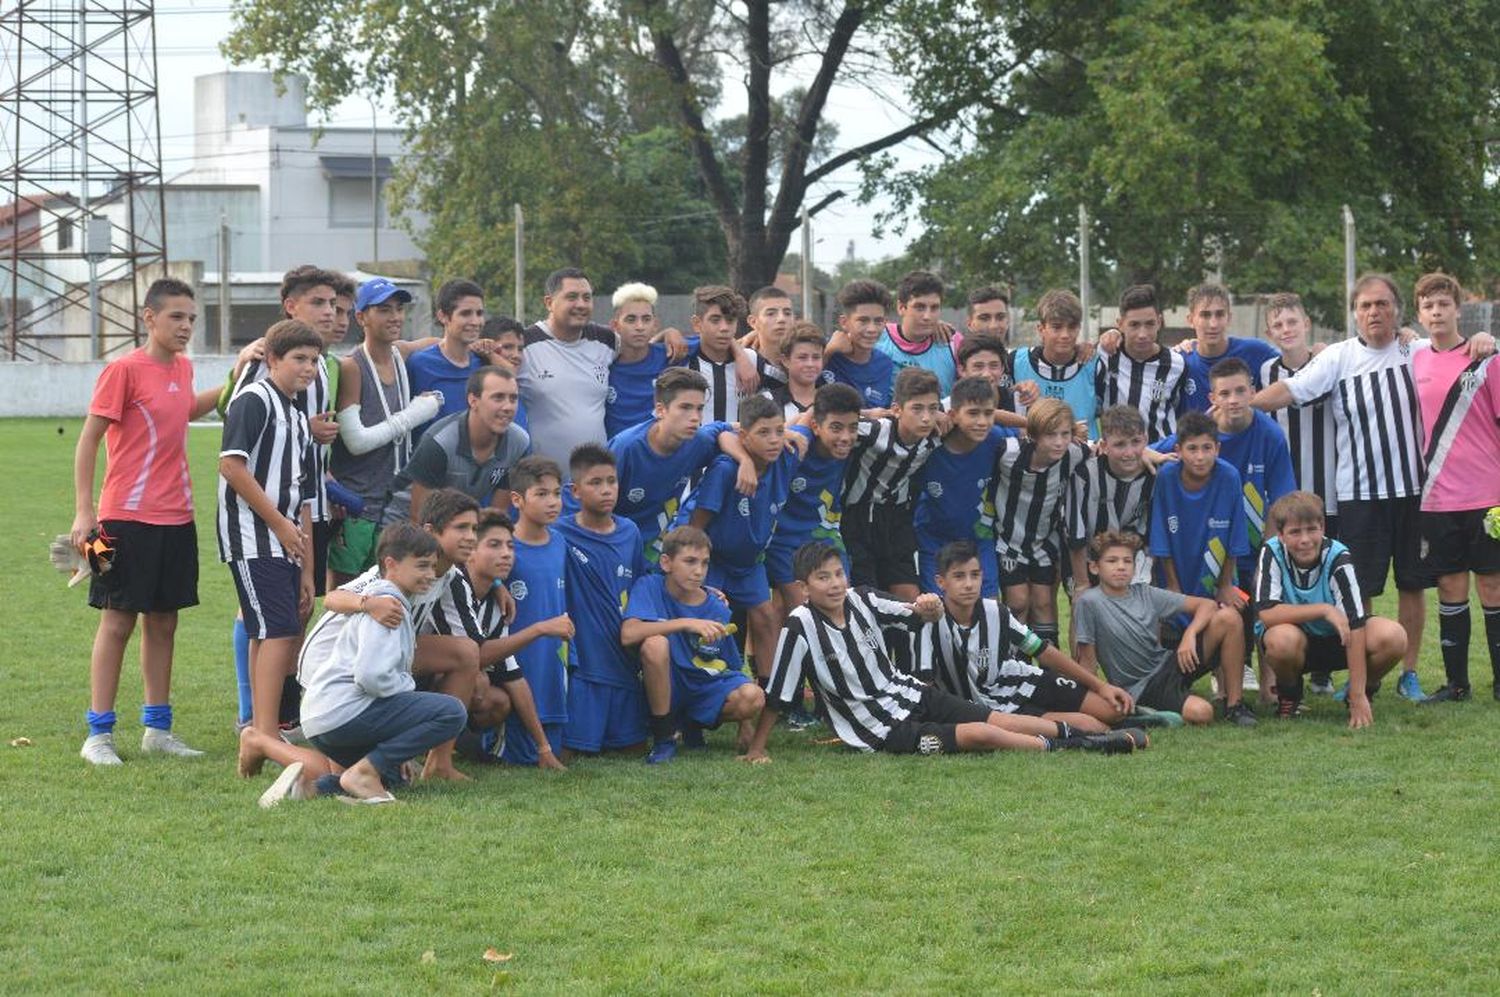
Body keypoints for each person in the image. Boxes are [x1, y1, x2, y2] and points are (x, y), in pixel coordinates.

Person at [1252, 273, 1494, 700]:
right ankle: (1361, 675)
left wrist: (1483, 338)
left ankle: (1410, 674)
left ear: (1398, 309)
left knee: (1413, 584)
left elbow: (1456, 352)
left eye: (1381, 304)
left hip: (1414, 491)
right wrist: (1242, 404)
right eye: (1364, 306)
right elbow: (1292, 388)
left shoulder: (1414, 350)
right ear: (1354, 313)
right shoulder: (1339, 357)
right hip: (1359, 495)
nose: (1373, 312)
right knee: (1356, 589)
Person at [742, 542, 1144, 761]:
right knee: (983, 733)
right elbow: (780, 694)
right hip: (881, 728)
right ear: (804, 586)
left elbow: (913, 612)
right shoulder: (800, 625)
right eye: (822, 578)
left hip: (912, 693)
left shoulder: (861, 599)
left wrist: (927, 607)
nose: (833, 584)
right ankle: (1078, 745)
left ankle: (1087, 735)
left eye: (838, 574)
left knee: (997, 718)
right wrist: (757, 749)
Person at [72, 278, 221, 765]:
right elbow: (89, 440)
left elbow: (184, 411)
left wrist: (240, 374)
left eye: (191, 318)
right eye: (176, 316)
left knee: (164, 621)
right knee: (117, 621)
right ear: (149, 318)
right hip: (124, 519)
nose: (185, 326)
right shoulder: (123, 370)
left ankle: (157, 729)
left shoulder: (184, 366)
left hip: (177, 517)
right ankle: (98, 735)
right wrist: (84, 512)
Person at [261, 521, 469, 805]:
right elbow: (371, 676)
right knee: (451, 711)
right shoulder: (387, 606)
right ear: (391, 564)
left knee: (395, 778)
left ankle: (311, 788)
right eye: (421, 566)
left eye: (433, 567)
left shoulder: (388, 600)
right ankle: (362, 774)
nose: (430, 575)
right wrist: (407, 691)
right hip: (341, 713)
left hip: (324, 718)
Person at [217, 320, 323, 742]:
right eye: (299, 358)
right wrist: (277, 524)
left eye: (314, 360)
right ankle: (261, 730)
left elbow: (305, 499)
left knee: (275, 632)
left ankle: (260, 728)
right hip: (253, 535)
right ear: (274, 359)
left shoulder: (298, 416)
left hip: (286, 543)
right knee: (277, 632)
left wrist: (309, 571)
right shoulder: (254, 400)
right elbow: (230, 465)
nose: (309, 368)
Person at [916, 541, 1134, 730]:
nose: (969, 584)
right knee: (1090, 726)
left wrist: (1101, 686)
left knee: (1113, 710)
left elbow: (1043, 652)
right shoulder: (929, 620)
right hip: (990, 707)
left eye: (975, 575)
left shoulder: (996, 611)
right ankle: (1058, 720)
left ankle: (1134, 714)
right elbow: (924, 685)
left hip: (1020, 681)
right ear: (941, 582)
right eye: (959, 576)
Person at [1409, 272, 1500, 703]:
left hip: (1488, 495)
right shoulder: (1414, 359)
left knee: (1493, 587)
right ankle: (1457, 684)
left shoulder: (1487, 358)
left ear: (1458, 309)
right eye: (1429, 305)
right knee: (1449, 586)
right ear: (1420, 314)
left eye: (1444, 304)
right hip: (1437, 496)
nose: (1437, 312)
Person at [678, 395, 802, 682]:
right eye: (763, 432)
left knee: (766, 615)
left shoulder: (787, 456)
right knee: (711, 618)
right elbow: (696, 527)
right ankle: (699, 681)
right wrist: (698, 571)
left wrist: (795, 430)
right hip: (714, 559)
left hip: (749, 561)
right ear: (743, 437)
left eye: (779, 431)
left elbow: (810, 420)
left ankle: (770, 688)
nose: (774, 440)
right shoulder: (725, 469)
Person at [1254, 492, 1406, 726]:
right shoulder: (1271, 552)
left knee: (1394, 637)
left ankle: (1361, 691)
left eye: (1311, 529)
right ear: (1281, 535)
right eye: (1295, 532)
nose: (1305, 539)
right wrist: (1324, 610)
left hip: (1339, 639)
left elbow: (1355, 624)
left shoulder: (1338, 556)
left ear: (1323, 527)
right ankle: (1290, 694)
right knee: (1279, 640)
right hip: (1297, 642)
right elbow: (1267, 612)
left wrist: (1357, 694)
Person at [328, 277, 443, 585]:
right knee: (345, 594)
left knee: (388, 589)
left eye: (399, 309)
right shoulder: (352, 366)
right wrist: (417, 412)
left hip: (393, 504)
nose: (395, 317)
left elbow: (437, 343)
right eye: (383, 310)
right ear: (361, 316)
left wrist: (479, 344)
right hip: (357, 504)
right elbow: (355, 442)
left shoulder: (401, 353)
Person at [622, 526, 767, 763]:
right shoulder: (649, 586)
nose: (698, 571)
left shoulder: (718, 607)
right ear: (666, 563)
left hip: (704, 687)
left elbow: (731, 666)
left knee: (753, 696)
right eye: (689, 561)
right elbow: (629, 634)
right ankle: (663, 738)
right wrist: (686, 623)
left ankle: (692, 724)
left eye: (704, 563)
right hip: (668, 685)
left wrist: (745, 724)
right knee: (655, 644)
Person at [1146, 411, 1255, 724]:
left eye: (1207, 448)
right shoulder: (1167, 477)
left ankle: (1234, 703)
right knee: (1157, 624)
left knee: (1232, 617)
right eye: (1192, 448)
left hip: (1212, 578)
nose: (1200, 456)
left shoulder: (1229, 476)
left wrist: (1225, 584)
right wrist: (1174, 589)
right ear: (1178, 451)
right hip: (1175, 577)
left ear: (1218, 449)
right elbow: (1161, 537)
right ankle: (1155, 693)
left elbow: (1235, 537)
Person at [1074, 531, 1247, 726]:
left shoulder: (1145, 593)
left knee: (1229, 617)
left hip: (1169, 664)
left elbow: (1207, 605)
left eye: (1127, 561)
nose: (1121, 567)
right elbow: (1087, 661)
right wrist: (1094, 704)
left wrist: (1190, 634)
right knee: (1203, 713)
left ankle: (1235, 707)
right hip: (1142, 687)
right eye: (1112, 561)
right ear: (1095, 567)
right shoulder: (1089, 602)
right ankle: (1144, 712)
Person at [439, 509, 563, 769]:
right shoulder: (453, 585)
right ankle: (430, 757)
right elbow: (475, 654)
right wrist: (538, 629)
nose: (506, 553)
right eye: (494, 545)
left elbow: (514, 678)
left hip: (439, 685)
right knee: (477, 680)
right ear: (471, 551)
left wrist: (543, 748)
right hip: (409, 679)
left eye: (510, 546)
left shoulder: (497, 603)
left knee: (499, 700)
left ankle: (459, 744)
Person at [554, 446, 651, 756]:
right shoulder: (558, 533)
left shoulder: (630, 532)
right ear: (575, 491)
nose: (607, 490)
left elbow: (641, 584)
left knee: (633, 749)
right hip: (584, 665)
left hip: (622, 658)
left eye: (612, 481)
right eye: (596, 483)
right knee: (574, 751)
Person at [608, 367, 749, 562]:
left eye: (699, 408)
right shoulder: (626, 448)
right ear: (660, 410)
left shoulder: (697, 441)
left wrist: (745, 461)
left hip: (657, 549)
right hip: (615, 546)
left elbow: (727, 430)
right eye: (685, 407)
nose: (695, 417)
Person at [990, 398, 1089, 647]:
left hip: (1044, 542)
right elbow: (986, 413)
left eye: (1065, 433)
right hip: (1008, 540)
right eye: (1050, 434)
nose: (1058, 442)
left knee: (1044, 603)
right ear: (1034, 435)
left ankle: (1051, 674)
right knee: (1018, 602)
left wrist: (1148, 453)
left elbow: (1111, 448)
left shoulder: (1074, 453)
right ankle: (1014, 665)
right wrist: (1030, 421)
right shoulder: (1008, 452)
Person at [840, 366, 943, 600]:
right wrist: (866, 413)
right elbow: (827, 417)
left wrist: (1026, 424)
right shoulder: (872, 432)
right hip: (857, 519)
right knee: (868, 598)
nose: (926, 417)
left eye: (932, 409)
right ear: (896, 410)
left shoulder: (936, 435)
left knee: (909, 596)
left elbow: (977, 412)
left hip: (896, 520)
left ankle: (905, 637)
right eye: (917, 409)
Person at [383, 365, 531, 523]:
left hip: (455, 526)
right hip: (403, 527)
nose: (508, 406)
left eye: (513, 399)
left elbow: (495, 516)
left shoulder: (519, 443)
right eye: (498, 397)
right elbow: (419, 518)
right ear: (473, 400)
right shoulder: (439, 443)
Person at [501, 456, 573, 765]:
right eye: (541, 494)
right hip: (518, 655)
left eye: (556, 493)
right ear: (517, 499)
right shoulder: (506, 548)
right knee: (519, 755)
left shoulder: (559, 542)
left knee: (553, 732)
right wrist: (495, 586)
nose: (552, 502)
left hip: (555, 654)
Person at [765, 382, 860, 615]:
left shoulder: (856, 435)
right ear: (816, 426)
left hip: (823, 533)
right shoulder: (797, 442)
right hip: (782, 540)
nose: (846, 437)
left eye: (853, 428)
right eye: (836, 428)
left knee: (843, 606)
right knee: (806, 612)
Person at [914, 376, 1014, 597]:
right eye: (973, 413)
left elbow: (1037, 430)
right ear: (952, 415)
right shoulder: (930, 443)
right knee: (939, 610)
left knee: (987, 606)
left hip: (979, 539)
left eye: (988, 414)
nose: (982, 422)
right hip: (934, 541)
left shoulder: (997, 439)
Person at [517, 267, 617, 469]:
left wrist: (668, 334)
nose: (581, 304)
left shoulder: (606, 340)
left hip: (594, 482)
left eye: (586, 298)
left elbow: (642, 347)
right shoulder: (523, 344)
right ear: (549, 303)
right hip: (544, 483)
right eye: (571, 297)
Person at [1068, 405, 1154, 598]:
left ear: (1146, 441)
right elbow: (1076, 533)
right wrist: (1082, 583)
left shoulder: (1154, 476)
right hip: (1087, 561)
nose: (1129, 452)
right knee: (1084, 611)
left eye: (1136, 442)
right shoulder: (1085, 474)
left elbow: (1150, 534)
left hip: (1132, 561)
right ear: (1104, 446)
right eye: (1120, 444)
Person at [1094, 284, 1187, 441]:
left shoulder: (1177, 363)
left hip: (1161, 455)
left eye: (1149, 324)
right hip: (1117, 457)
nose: (1142, 334)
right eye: (1134, 325)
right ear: (1120, 324)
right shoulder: (1104, 355)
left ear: (1159, 322)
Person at [1011, 289, 1100, 438]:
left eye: (1071, 327)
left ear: (1079, 328)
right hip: (1034, 457)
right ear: (1041, 329)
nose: (1065, 335)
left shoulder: (1095, 363)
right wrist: (1015, 389)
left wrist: (1113, 333)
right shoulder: (1015, 361)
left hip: (1086, 456)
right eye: (1057, 327)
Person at [1176, 282, 1277, 413]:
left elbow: (1294, 368)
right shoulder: (1178, 361)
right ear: (1190, 320)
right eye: (1205, 315)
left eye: (1219, 314)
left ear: (1229, 318)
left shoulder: (1255, 351)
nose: (1213, 324)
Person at [406, 279, 488, 438]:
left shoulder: (484, 364)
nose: (475, 321)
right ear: (443, 316)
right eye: (465, 313)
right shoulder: (418, 364)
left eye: (479, 313)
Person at [681, 284, 761, 425]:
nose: (724, 328)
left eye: (730, 320)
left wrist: (761, 333)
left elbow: (790, 372)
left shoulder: (751, 359)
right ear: (697, 323)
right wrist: (667, 333)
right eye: (715, 320)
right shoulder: (681, 361)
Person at [606, 282, 673, 439]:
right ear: (615, 325)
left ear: (655, 324)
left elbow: (710, 340)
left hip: (658, 456)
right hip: (614, 458)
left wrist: (739, 353)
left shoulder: (670, 353)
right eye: (631, 319)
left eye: (646, 319)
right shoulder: (601, 362)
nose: (639, 326)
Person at [874, 270, 958, 395]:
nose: (927, 316)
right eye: (920, 307)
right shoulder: (875, 336)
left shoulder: (952, 342)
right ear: (901, 307)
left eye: (934, 308)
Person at [819, 279, 897, 412]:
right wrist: (827, 353)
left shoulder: (885, 364)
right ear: (844, 322)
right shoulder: (823, 355)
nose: (872, 329)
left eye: (878, 321)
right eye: (863, 320)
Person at [763, 321, 824, 421]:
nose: (810, 364)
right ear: (785, 360)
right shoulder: (766, 401)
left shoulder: (835, 401)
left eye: (816, 357)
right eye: (802, 357)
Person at [744, 285, 797, 382]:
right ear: (753, 322)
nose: (781, 319)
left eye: (787, 313)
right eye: (771, 313)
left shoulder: (808, 361)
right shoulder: (742, 362)